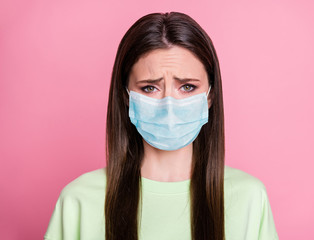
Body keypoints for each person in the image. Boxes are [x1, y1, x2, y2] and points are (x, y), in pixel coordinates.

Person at [44, 12, 279, 240]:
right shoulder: (79, 201)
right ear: (126, 96)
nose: (169, 104)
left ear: (210, 96)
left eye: (187, 87)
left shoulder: (250, 198)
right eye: (149, 88)